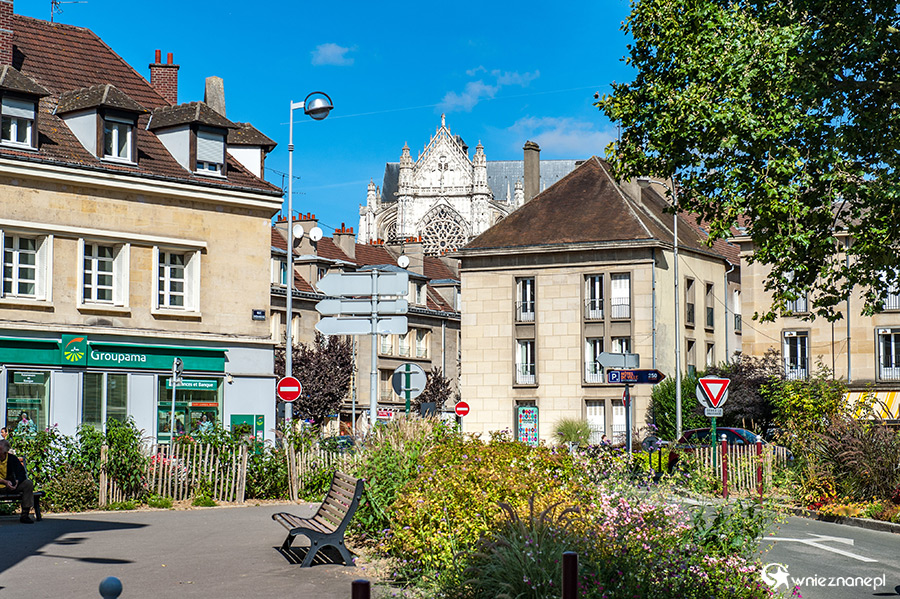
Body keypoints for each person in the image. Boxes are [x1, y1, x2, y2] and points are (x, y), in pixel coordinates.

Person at [0, 439, 35, 523]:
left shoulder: (12, 459)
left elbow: (21, 472)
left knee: (28, 484)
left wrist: (16, 481)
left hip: (11, 485)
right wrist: (4, 482)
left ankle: (25, 515)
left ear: (5, 452)